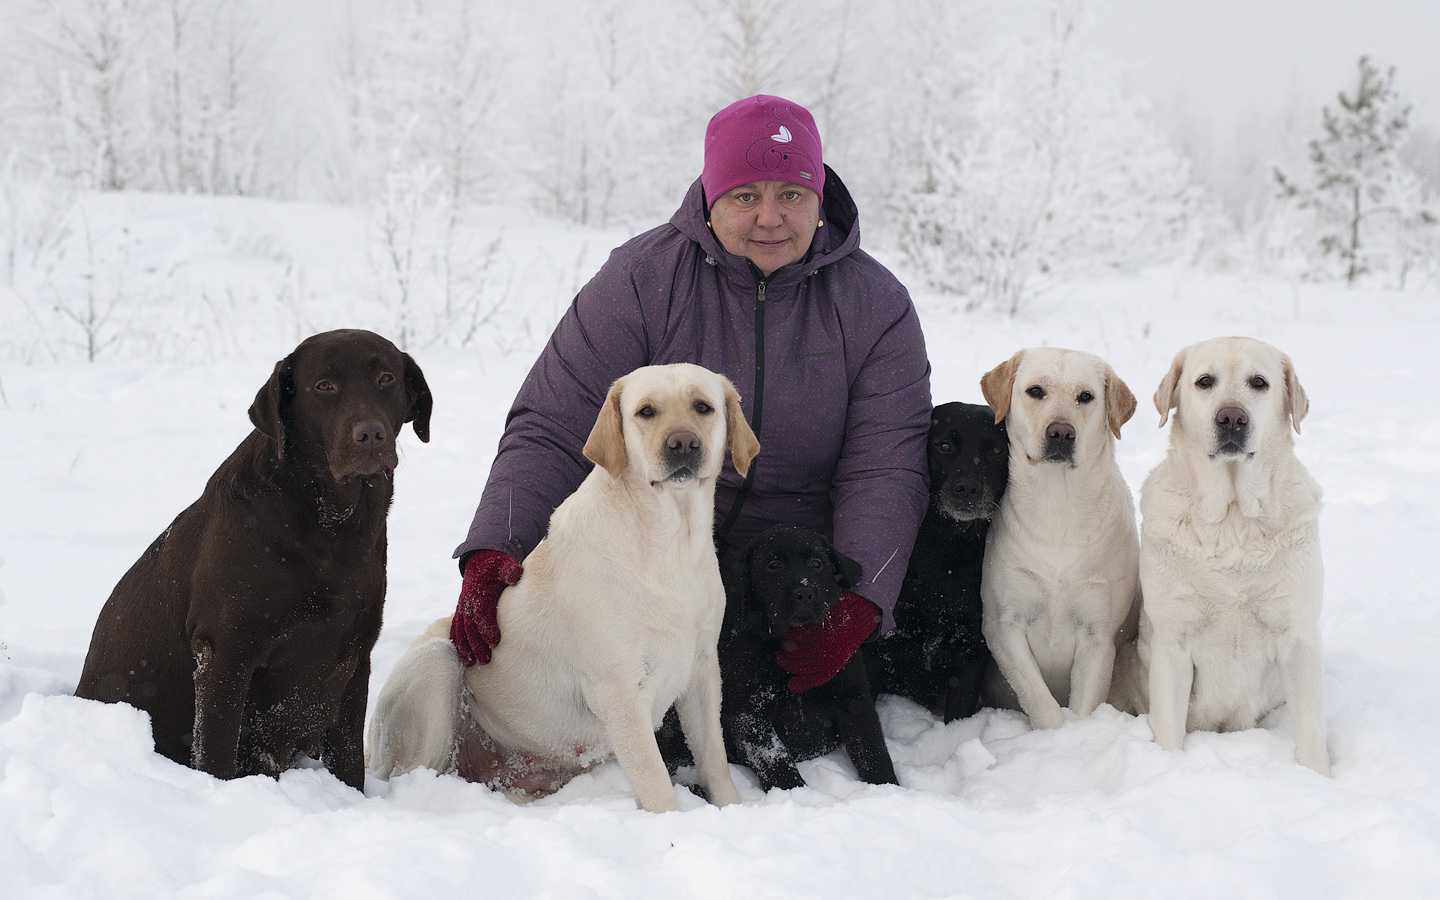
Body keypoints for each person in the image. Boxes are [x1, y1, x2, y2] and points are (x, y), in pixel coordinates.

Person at [450, 94, 931, 694]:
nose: (770, 217)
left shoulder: (876, 305)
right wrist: (496, 547)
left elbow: (886, 464)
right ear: (710, 198)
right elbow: (553, 421)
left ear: (819, 197)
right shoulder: (641, 278)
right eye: (746, 196)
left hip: (786, 562)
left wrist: (860, 600)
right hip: (648, 540)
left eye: (791, 195)